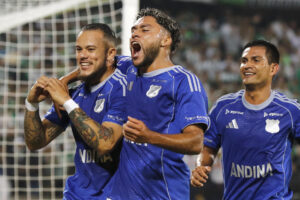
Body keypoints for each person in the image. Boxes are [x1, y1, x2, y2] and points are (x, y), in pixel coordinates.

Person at [102, 8, 209, 199]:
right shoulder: (128, 68)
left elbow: (195, 142)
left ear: (165, 40)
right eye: (134, 30)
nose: (135, 33)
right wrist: (65, 81)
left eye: (145, 29)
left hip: (163, 193)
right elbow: (98, 60)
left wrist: (149, 136)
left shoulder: (184, 81)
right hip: (121, 193)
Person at [24, 23, 128, 200]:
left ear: (110, 54)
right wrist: (31, 104)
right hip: (76, 194)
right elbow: (36, 142)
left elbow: (105, 143)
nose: (82, 56)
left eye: (90, 49)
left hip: (114, 195)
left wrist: (66, 100)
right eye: (79, 49)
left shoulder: (124, 89)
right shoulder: (75, 94)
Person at [191, 39, 300, 199]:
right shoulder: (223, 107)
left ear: (273, 68)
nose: (247, 65)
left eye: (256, 60)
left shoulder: (290, 111)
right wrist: (202, 165)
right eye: (244, 61)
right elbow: (208, 147)